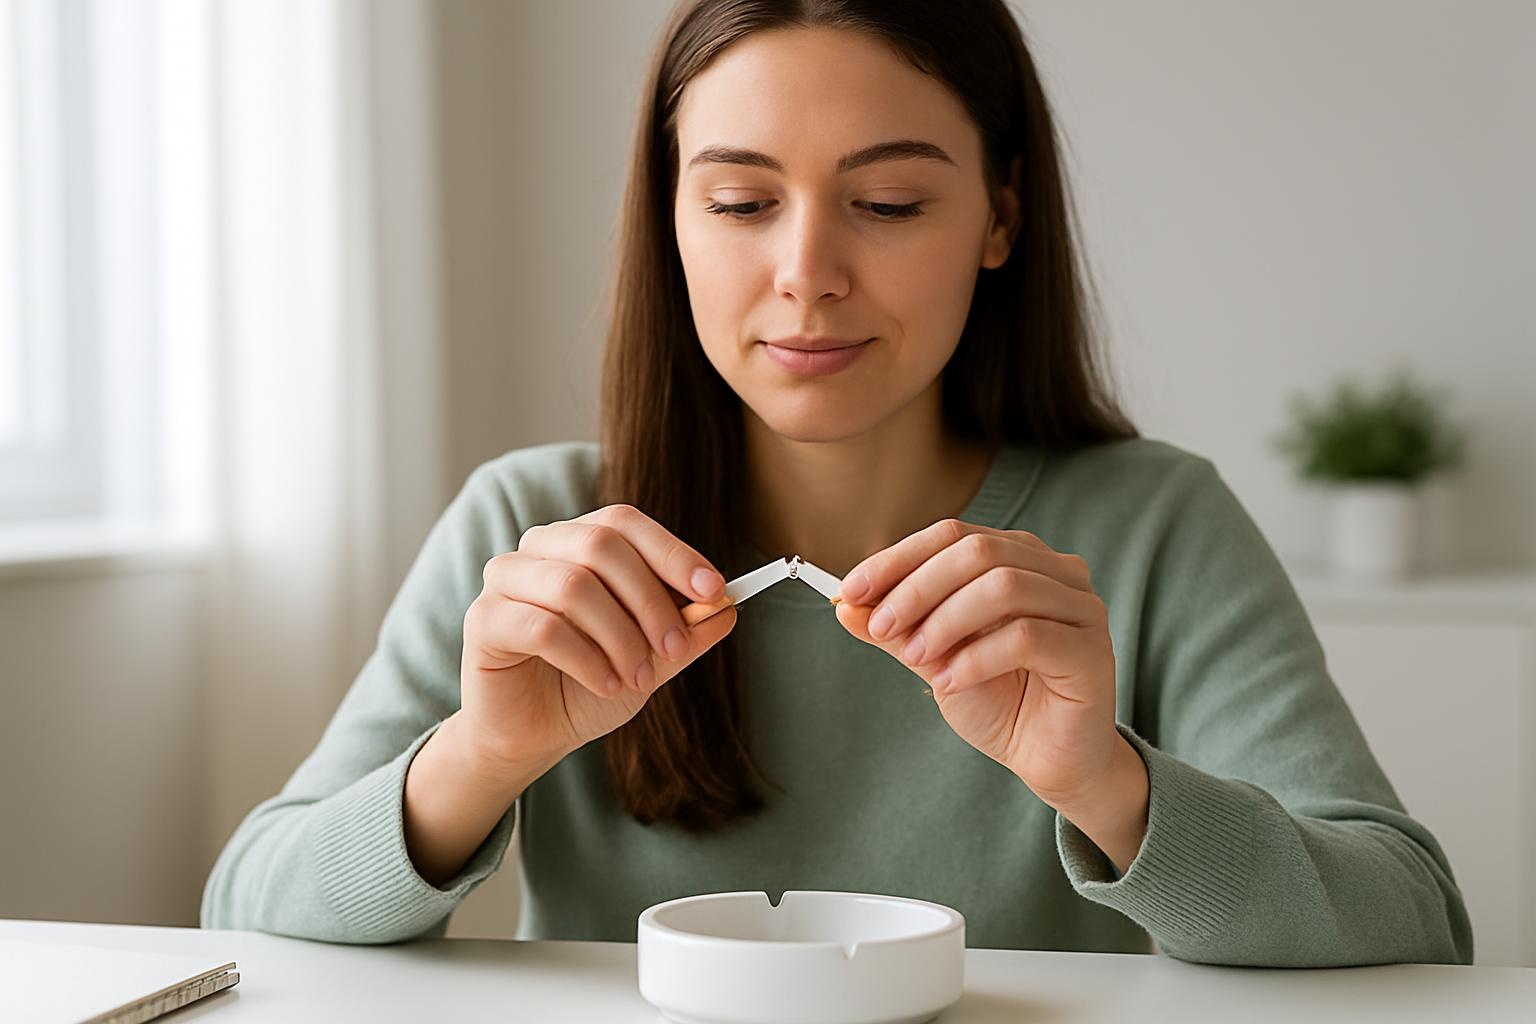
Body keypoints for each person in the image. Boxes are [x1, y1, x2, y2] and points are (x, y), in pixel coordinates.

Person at [201, 0, 1473, 967]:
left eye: (888, 201)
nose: (807, 271)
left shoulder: (1154, 526)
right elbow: (242, 912)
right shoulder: (534, 530)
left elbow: (1418, 926)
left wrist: (1108, 783)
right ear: (672, 219)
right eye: (744, 200)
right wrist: (479, 757)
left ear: (999, 219)